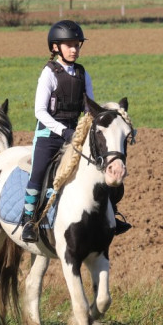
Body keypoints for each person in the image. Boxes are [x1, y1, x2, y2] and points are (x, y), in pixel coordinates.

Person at [21, 20, 130, 243]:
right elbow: (40, 111)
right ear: (55, 48)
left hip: (75, 135)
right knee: (39, 173)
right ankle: (29, 220)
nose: (74, 49)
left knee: (101, 170)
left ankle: (111, 214)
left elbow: (89, 108)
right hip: (49, 136)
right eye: (69, 45)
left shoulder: (82, 74)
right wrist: (63, 131)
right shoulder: (48, 74)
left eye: (77, 45)